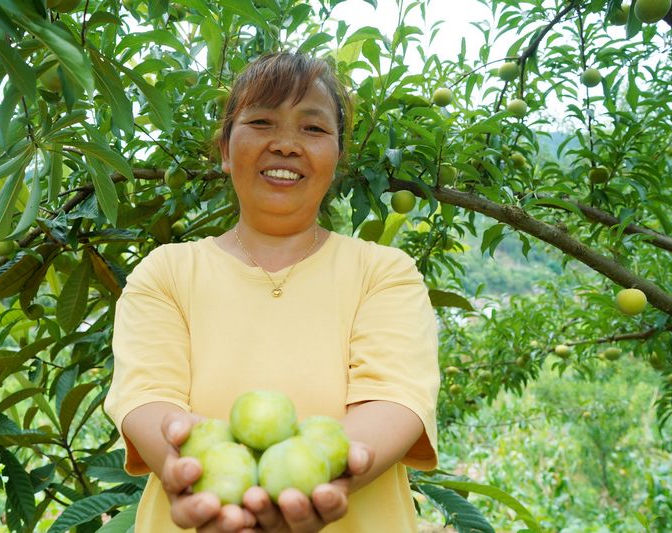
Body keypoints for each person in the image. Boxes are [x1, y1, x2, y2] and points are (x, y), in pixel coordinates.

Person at [104, 52, 440, 533]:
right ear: (225, 148)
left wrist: (321, 476)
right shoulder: (167, 271)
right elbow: (146, 397)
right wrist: (186, 465)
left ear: (338, 157)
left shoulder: (383, 271)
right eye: (261, 122)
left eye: (313, 129)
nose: (285, 144)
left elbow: (395, 400)